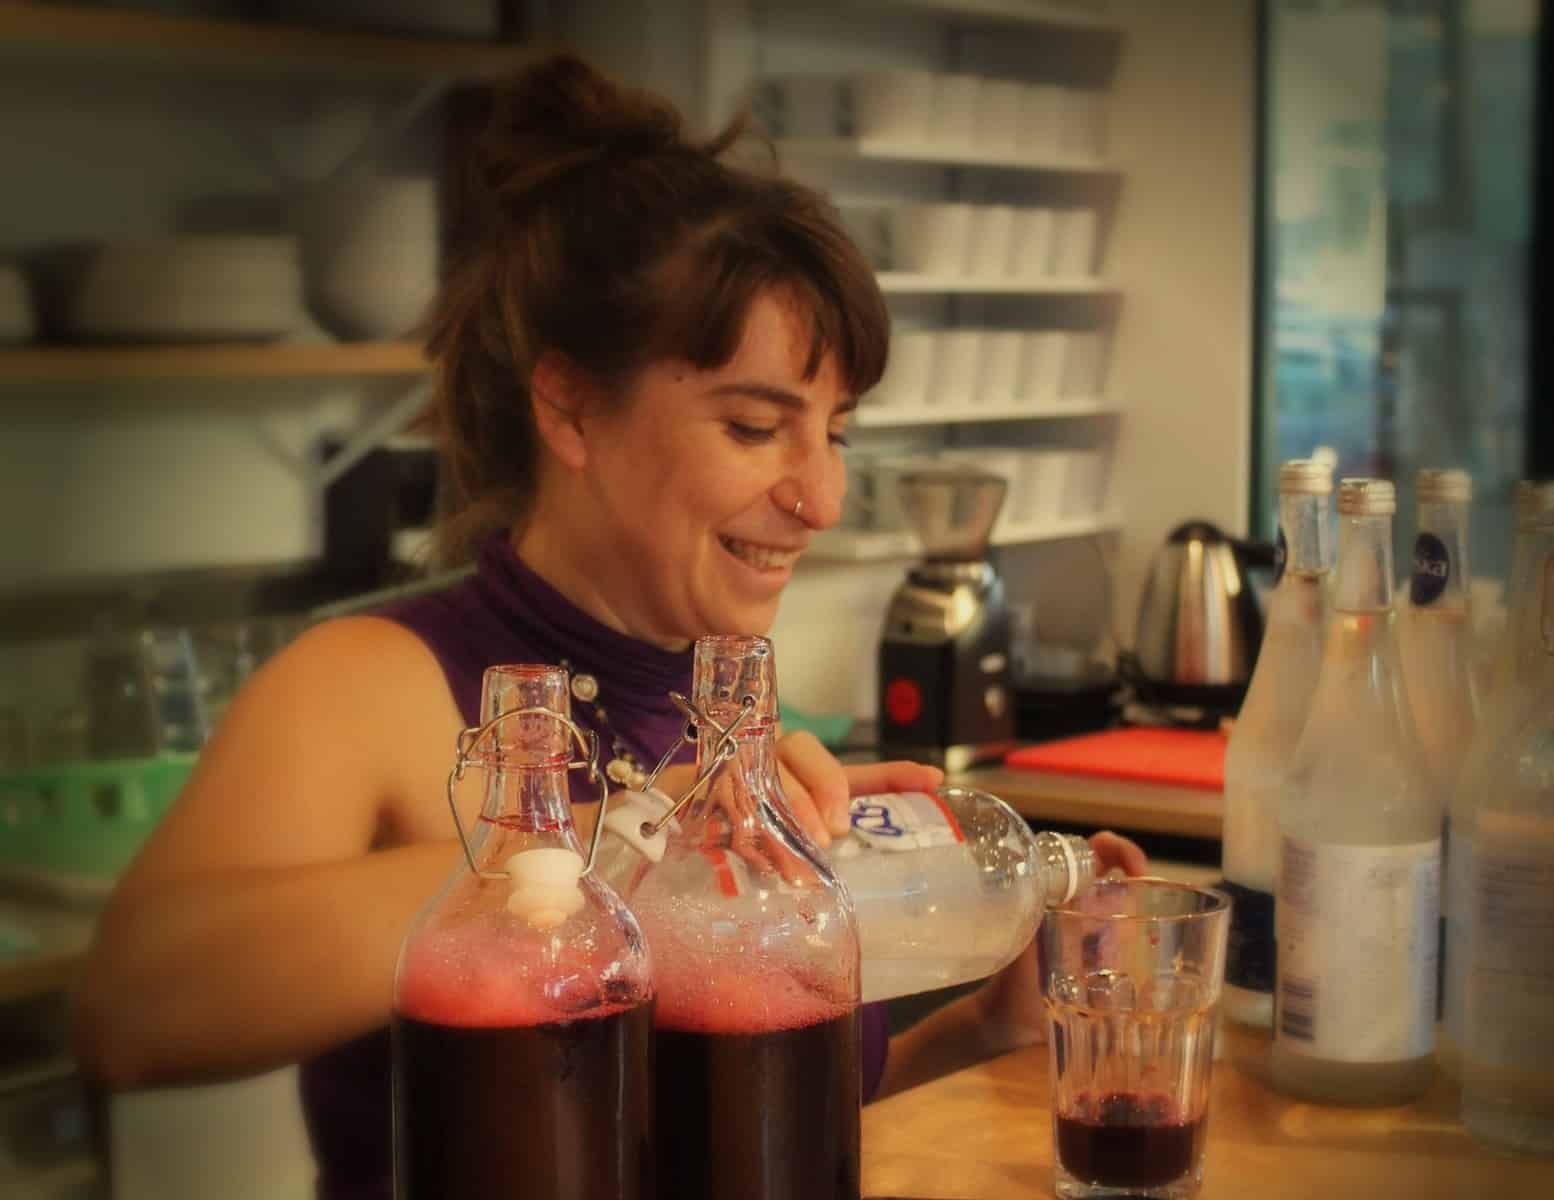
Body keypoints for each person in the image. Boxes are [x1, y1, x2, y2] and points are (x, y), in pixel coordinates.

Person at [74, 53, 1145, 1198]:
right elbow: (131, 1011)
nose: (822, 497)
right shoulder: (370, 685)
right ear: (571, 408)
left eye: (836, 432)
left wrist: (984, 1030)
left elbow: (725, 1135)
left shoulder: (722, 703)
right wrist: (626, 838)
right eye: (753, 426)